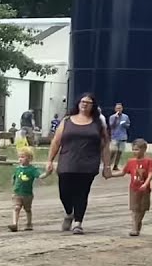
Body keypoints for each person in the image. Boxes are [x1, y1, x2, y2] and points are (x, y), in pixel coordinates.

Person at [45, 93, 112, 235]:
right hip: (67, 161)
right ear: (78, 103)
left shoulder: (98, 123)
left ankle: (78, 223)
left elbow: (105, 145)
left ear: (93, 106)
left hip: (88, 163)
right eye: (83, 101)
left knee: (82, 193)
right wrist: (50, 160)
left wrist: (107, 166)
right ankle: (69, 213)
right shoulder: (67, 120)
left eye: (88, 102)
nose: (85, 104)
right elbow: (56, 141)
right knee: (64, 192)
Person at [121, 139, 152, 236]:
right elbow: (123, 172)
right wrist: (110, 174)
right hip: (134, 188)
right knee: (134, 208)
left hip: (145, 189)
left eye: (137, 150)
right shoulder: (130, 162)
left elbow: (151, 174)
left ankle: (137, 223)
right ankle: (134, 227)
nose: (134, 152)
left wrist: (145, 184)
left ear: (144, 149)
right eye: (133, 149)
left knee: (142, 208)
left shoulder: (149, 161)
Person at [9, 147, 49, 232]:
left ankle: (29, 223)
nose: (20, 159)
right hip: (17, 193)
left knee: (27, 209)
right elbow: (14, 177)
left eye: (23, 157)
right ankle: (14, 224)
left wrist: (47, 173)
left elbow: (40, 176)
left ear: (29, 158)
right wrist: (13, 186)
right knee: (16, 207)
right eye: (19, 157)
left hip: (27, 194)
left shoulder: (32, 169)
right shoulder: (17, 168)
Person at [107, 103, 130, 171]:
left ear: (122, 109)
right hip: (114, 136)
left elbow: (128, 125)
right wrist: (115, 119)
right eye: (117, 108)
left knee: (119, 152)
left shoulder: (125, 117)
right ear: (115, 109)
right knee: (113, 151)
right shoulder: (112, 117)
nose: (118, 110)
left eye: (120, 108)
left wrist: (125, 124)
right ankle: (108, 165)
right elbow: (111, 126)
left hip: (122, 136)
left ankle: (115, 165)